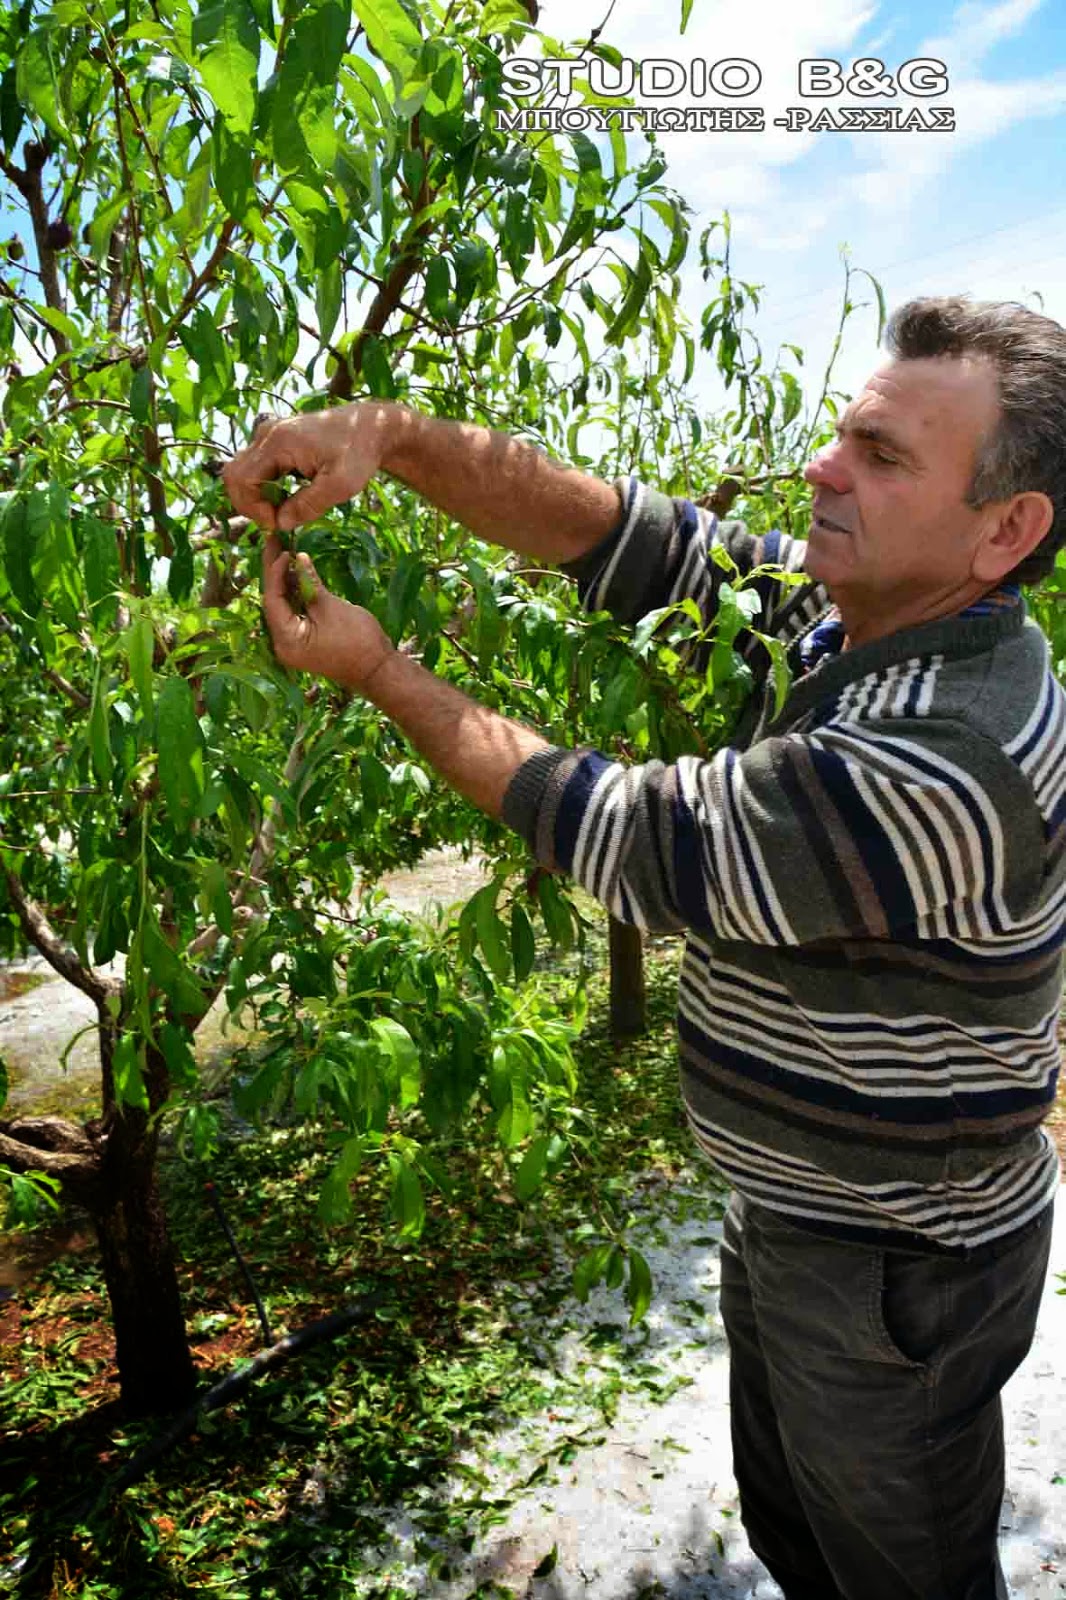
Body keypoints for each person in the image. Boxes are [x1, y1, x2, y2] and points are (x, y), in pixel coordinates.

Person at [223, 295, 1064, 1600]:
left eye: (883, 456)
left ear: (1004, 530)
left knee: (900, 1573)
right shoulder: (852, 613)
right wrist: (384, 437)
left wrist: (385, 673)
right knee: (805, 1536)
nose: (819, 469)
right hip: (804, 1217)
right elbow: (626, 535)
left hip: (897, 1271)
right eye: (843, 433)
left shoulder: (944, 756)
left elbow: (634, 840)